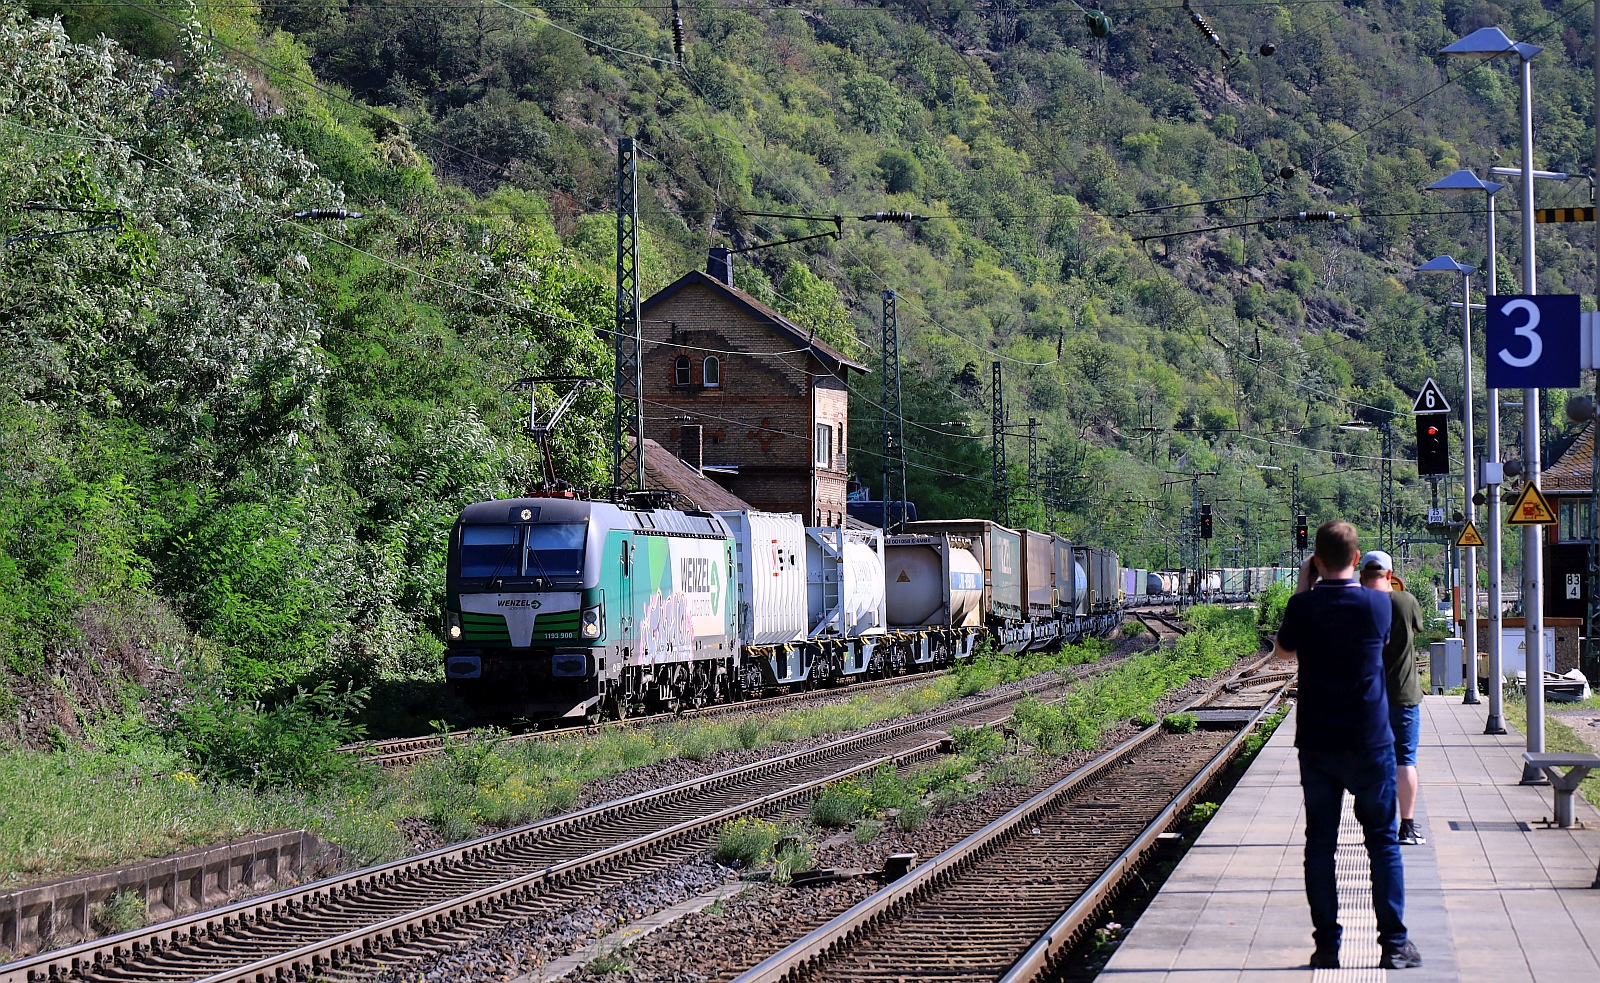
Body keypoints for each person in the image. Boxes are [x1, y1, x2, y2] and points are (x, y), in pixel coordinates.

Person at [1275, 521, 1420, 970]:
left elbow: (1283, 652)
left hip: (1317, 743)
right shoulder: (1378, 606)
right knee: (1382, 842)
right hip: (1371, 742)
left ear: (1316, 561)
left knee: (1320, 843)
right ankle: (1394, 946)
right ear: (1357, 561)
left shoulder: (1304, 607)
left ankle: (1326, 948)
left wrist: (1304, 586)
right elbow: (1387, 642)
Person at [1359, 549, 1428, 846]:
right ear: (1390, 575)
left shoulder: (1356, 604)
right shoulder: (1406, 601)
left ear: (1361, 576)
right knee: (1405, 761)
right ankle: (1408, 827)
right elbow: (1417, 627)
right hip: (1403, 695)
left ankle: (1376, 824)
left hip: (1367, 699)